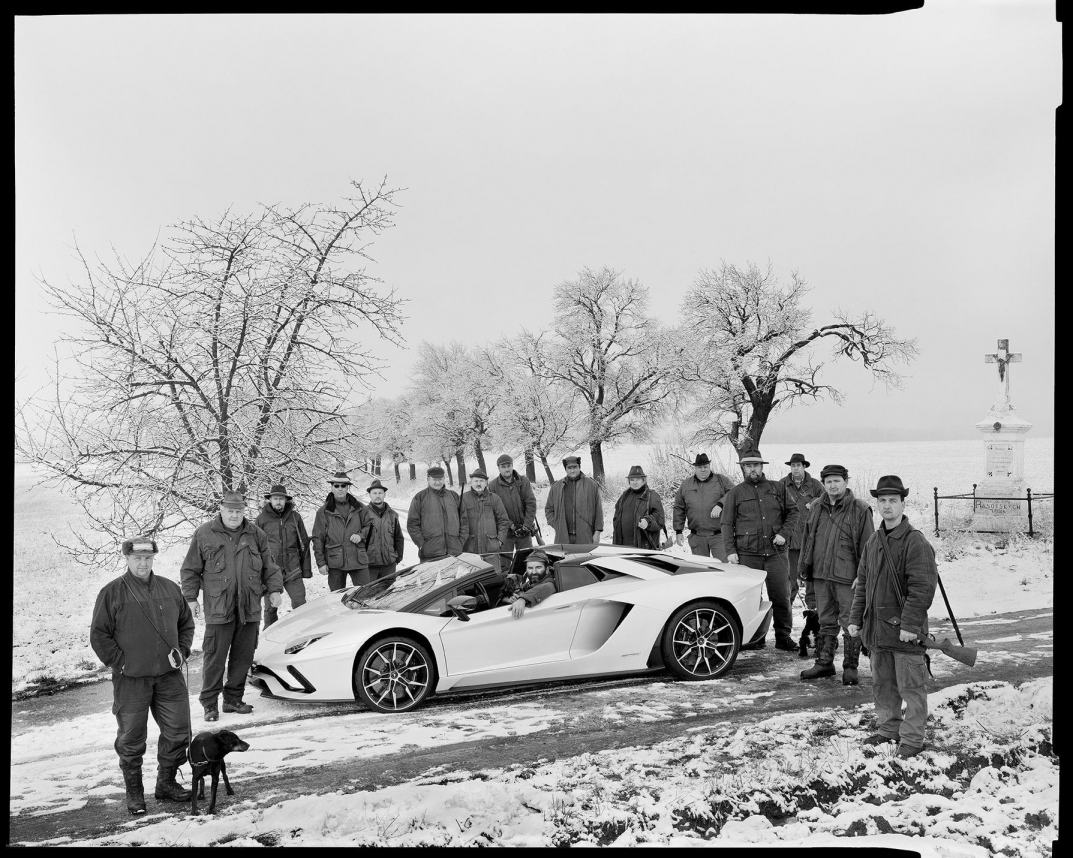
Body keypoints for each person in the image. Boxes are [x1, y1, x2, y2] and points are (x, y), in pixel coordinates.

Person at [90, 536, 195, 815]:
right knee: (132, 738)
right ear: (127, 558)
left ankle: (166, 783)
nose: (143, 563)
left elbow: (186, 623)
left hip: (169, 676)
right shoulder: (112, 593)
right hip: (131, 680)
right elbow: (99, 635)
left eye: (148, 558)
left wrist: (182, 651)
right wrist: (121, 663)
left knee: (178, 730)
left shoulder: (170, 588)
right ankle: (134, 792)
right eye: (138, 558)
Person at [848, 475, 937, 758]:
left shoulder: (915, 542)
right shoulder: (873, 542)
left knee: (911, 688)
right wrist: (855, 620)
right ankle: (888, 729)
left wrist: (911, 625)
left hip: (905, 632)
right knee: (883, 686)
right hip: (878, 632)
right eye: (882, 501)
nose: (887, 506)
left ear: (902, 503)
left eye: (893, 501)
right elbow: (862, 583)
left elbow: (922, 588)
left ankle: (911, 740)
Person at [181, 490, 283, 721]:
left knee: (243, 657)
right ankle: (209, 704)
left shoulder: (256, 534)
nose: (234, 515)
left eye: (238, 511)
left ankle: (233, 700)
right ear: (221, 509)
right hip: (219, 608)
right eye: (230, 511)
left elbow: (269, 566)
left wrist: (275, 589)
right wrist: (190, 598)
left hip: (249, 607)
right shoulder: (205, 534)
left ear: (244, 511)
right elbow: (190, 570)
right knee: (214, 658)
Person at [797, 464, 875, 684]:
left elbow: (868, 546)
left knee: (850, 621)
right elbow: (807, 540)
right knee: (825, 620)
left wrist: (863, 575)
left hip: (848, 578)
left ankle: (850, 667)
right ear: (824, 483)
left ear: (846, 482)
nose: (832, 485)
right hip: (821, 575)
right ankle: (824, 663)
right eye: (828, 481)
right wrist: (803, 568)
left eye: (837, 481)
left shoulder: (860, 509)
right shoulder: (816, 508)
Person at [720, 448, 796, 651]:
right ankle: (755, 638)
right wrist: (730, 551)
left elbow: (794, 513)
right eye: (748, 466)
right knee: (752, 599)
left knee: (780, 596)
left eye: (756, 465)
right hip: (748, 554)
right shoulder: (735, 493)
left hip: (776, 554)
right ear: (743, 468)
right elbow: (726, 524)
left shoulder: (777, 488)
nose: (752, 469)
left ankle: (783, 636)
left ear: (762, 466)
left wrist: (784, 534)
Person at [255, 483, 311, 629]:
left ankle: (301, 633)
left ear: (286, 500)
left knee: (300, 604)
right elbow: (255, 548)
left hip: (293, 569)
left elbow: (304, 543)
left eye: (281, 498)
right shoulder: (261, 519)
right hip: (271, 572)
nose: (278, 501)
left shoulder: (295, 517)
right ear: (270, 500)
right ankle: (269, 637)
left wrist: (306, 570)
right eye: (275, 498)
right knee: (270, 608)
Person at [311, 471, 374, 592]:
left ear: (347, 487)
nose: (340, 489)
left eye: (343, 486)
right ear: (332, 487)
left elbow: (370, 526)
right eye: (336, 486)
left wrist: (360, 535)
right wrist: (321, 563)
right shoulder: (323, 512)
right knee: (337, 598)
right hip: (335, 562)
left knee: (365, 594)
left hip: (358, 560)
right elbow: (318, 539)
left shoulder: (360, 508)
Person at [776, 453, 824, 606]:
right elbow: (774, 507)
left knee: (811, 576)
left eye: (798, 465)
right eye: (793, 465)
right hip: (790, 540)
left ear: (804, 467)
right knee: (789, 577)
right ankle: (787, 609)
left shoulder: (815, 485)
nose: (795, 468)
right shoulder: (782, 484)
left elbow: (827, 501)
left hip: (810, 539)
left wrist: (815, 502)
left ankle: (813, 609)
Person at [672, 453, 735, 560]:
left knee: (723, 569)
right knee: (702, 571)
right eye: (699, 467)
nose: (703, 470)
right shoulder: (686, 485)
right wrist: (678, 531)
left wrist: (721, 504)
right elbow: (679, 508)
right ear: (695, 468)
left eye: (705, 467)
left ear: (709, 466)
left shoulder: (721, 480)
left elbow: (734, 493)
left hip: (719, 536)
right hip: (697, 537)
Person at [406, 465, 463, 561]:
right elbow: (412, 524)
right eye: (434, 479)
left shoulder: (453, 496)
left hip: (455, 553)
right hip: (430, 554)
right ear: (428, 479)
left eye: (440, 479)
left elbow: (464, 521)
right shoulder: (420, 497)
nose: (438, 482)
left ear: (444, 479)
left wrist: (460, 542)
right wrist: (422, 544)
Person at [459, 468, 511, 571]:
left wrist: (499, 540)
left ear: (486, 482)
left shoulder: (494, 498)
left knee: (493, 581)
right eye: (476, 481)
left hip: (491, 552)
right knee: (471, 583)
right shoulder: (463, 499)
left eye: (481, 481)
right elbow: (458, 523)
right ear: (471, 482)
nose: (479, 483)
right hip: (470, 552)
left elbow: (504, 521)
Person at [544, 455, 603, 545]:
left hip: (586, 535)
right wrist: (557, 525)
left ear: (579, 467)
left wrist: (597, 532)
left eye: (575, 467)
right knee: (565, 559)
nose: (572, 470)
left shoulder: (591, 485)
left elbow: (598, 510)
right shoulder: (556, 487)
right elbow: (549, 509)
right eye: (569, 468)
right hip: (563, 537)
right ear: (566, 469)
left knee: (584, 559)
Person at [488, 454, 538, 551]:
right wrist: (511, 525)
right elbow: (495, 510)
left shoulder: (523, 481)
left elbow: (531, 503)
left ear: (512, 466)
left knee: (526, 561)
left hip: (524, 531)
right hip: (505, 533)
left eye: (509, 466)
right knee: (505, 564)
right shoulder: (493, 486)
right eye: (503, 467)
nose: (507, 469)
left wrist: (527, 526)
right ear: (498, 468)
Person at [612, 465, 666, 549]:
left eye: (638, 479)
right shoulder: (623, 497)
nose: (635, 482)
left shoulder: (652, 496)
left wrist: (648, 521)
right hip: (622, 547)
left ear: (643, 480)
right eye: (632, 479)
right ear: (629, 481)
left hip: (644, 548)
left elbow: (660, 518)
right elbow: (616, 519)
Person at [365, 478, 405, 580]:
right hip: (369, 565)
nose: (377, 495)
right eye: (374, 493)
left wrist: (398, 556)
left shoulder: (392, 515)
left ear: (384, 494)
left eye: (380, 493)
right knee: (369, 594)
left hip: (389, 565)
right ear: (369, 495)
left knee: (388, 594)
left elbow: (399, 537)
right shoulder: (362, 514)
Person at [503, 549, 558, 619]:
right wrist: (511, 598)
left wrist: (522, 600)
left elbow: (548, 587)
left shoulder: (549, 583)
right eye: (530, 568)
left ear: (547, 570)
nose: (534, 572)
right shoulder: (530, 583)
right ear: (526, 570)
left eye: (538, 567)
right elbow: (522, 589)